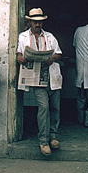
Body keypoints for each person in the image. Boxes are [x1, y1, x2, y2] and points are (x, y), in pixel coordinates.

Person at [17, 8, 63, 156]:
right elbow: (19, 52)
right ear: (30, 22)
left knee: (54, 107)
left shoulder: (49, 36)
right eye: (35, 22)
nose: (38, 24)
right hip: (36, 78)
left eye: (40, 22)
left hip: (51, 76)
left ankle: (53, 135)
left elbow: (59, 54)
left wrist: (53, 58)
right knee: (44, 107)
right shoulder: (23, 37)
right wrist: (19, 57)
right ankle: (43, 141)